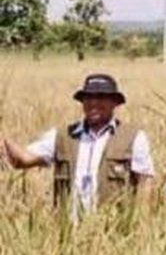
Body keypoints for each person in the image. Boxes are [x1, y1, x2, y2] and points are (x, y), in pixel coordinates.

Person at [1, 74, 154, 216]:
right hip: (68, 233)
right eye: (88, 98)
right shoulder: (62, 136)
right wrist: (4, 138)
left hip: (113, 231)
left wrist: (138, 226)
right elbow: (21, 160)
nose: (93, 103)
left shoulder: (134, 138)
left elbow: (145, 185)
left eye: (101, 97)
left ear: (114, 103)